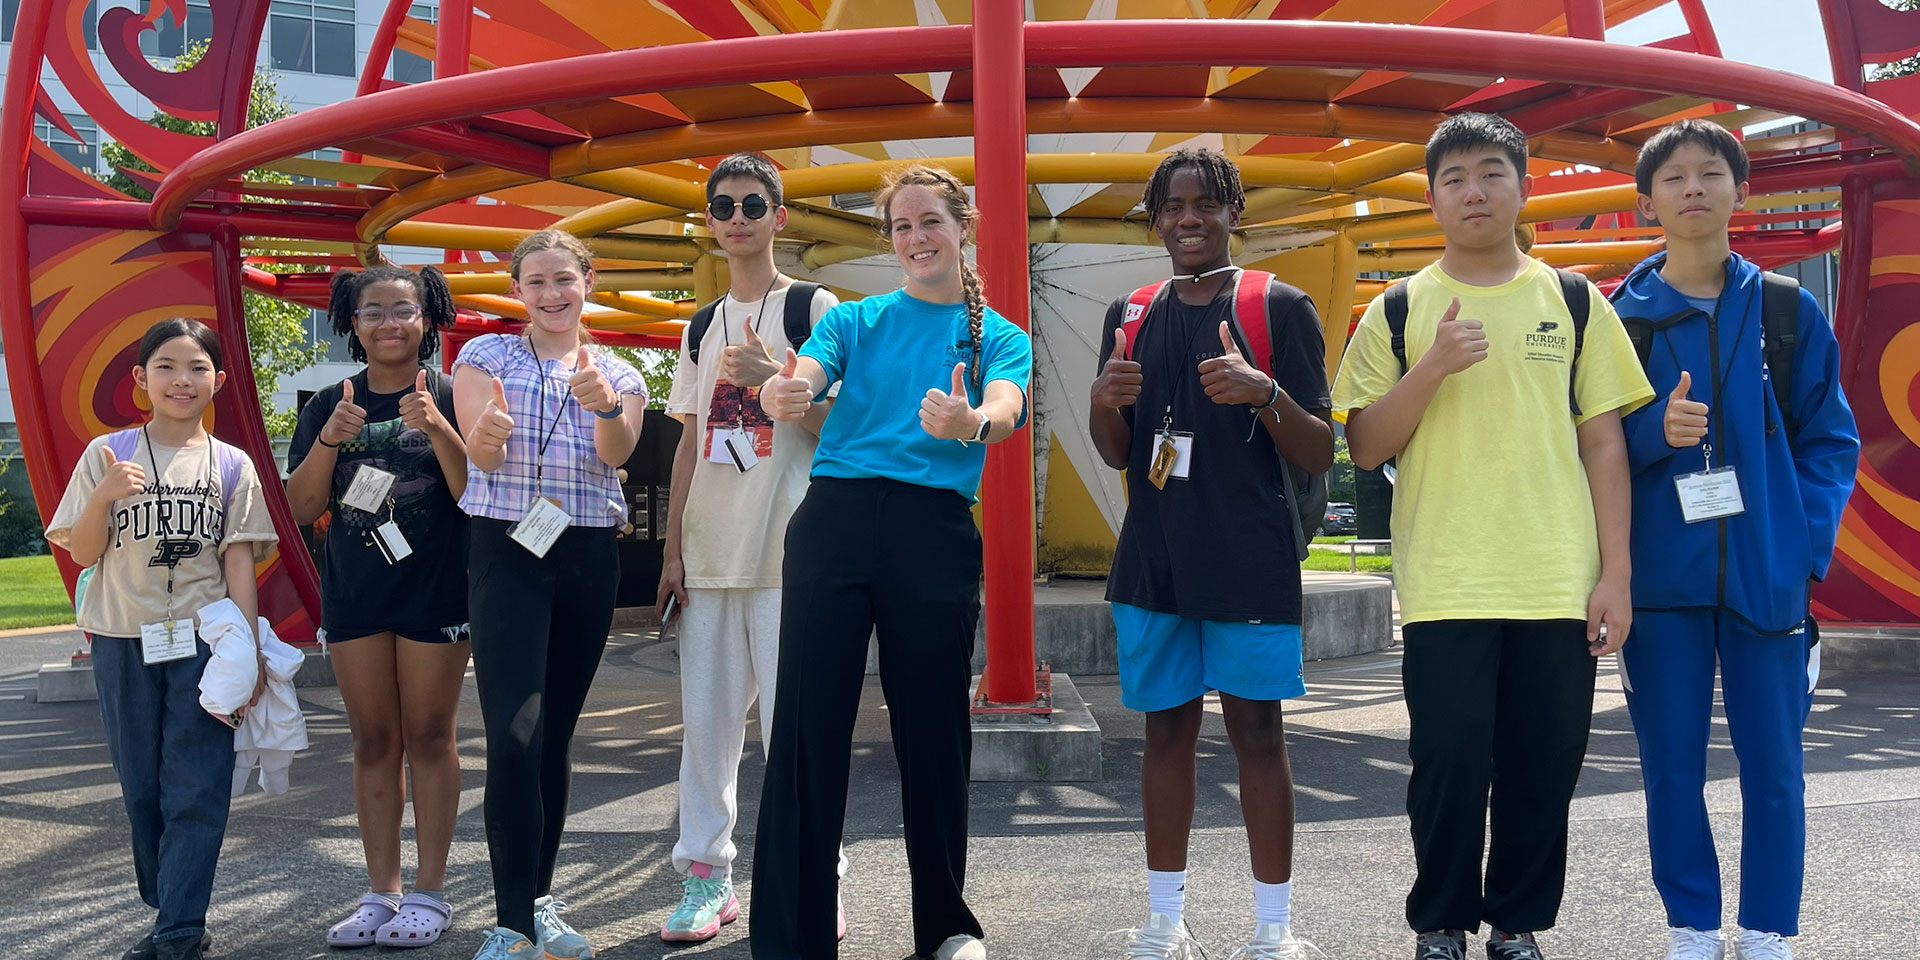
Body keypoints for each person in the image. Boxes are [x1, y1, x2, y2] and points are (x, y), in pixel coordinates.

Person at [1329, 112, 1654, 960]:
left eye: (1490, 173)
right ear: (1432, 198)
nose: (1473, 191)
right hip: (1447, 581)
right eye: (1454, 178)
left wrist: (1616, 575)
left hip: (1555, 575)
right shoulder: (1397, 310)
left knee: (1542, 768)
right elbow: (1366, 445)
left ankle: (1517, 923)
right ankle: (1439, 924)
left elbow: (1604, 443)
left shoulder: (1576, 300)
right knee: (1446, 763)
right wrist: (1431, 365)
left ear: (1522, 186)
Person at [749, 164, 1032, 960]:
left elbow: (1006, 406)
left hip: (933, 532)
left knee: (934, 729)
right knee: (806, 726)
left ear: (963, 228)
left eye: (930, 222)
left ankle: (945, 927)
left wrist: (971, 420)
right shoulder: (862, 318)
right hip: (832, 524)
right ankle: (793, 935)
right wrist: (786, 390)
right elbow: (810, 368)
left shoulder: (995, 334)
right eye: (902, 226)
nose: (915, 238)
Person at [1611, 119, 1859, 960]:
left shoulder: (1789, 309)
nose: (1692, 189)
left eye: (1709, 174)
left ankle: (1765, 929)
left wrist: (1800, 544)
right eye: (1673, 178)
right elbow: (1592, 444)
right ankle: (1693, 925)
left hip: (1767, 574)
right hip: (1660, 583)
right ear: (1647, 201)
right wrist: (1655, 433)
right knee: (1671, 765)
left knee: (1776, 770)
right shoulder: (1622, 318)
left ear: (1740, 191)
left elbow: (1832, 441)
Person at [1087, 148, 1333, 960]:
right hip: (1154, 562)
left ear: (1235, 212)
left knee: (1259, 737)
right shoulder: (1131, 312)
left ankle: (1275, 929)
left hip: (1249, 561)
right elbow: (1120, 451)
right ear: (1154, 218)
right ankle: (1165, 920)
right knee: (1164, 737)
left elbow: (1319, 451)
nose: (1187, 218)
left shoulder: (1280, 306)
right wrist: (1102, 403)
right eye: (1171, 205)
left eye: (1205, 203)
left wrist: (1264, 392)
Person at [654, 152, 846, 943]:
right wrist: (670, 552)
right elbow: (692, 446)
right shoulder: (700, 325)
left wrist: (777, 379)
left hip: (792, 552)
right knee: (706, 730)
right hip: (710, 554)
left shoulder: (816, 307)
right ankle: (707, 876)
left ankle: (813, 878)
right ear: (710, 221)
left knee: (800, 729)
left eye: (752, 204)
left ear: (779, 216)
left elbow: (845, 430)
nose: (738, 219)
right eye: (723, 207)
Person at [46, 318, 279, 960]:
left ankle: (179, 928)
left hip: (205, 644)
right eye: (167, 367)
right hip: (122, 639)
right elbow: (83, 549)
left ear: (220, 381)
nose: (183, 380)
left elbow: (237, 563)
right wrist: (106, 499)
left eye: (197, 368)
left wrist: (252, 655)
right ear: (140, 380)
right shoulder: (107, 453)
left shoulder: (234, 464)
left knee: (197, 783)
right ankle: (169, 898)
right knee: (141, 786)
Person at [450, 228, 649, 960]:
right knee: (513, 732)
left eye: (564, 278)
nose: (552, 294)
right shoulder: (485, 356)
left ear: (588, 281)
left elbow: (617, 454)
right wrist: (490, 435)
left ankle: (536, 904)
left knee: (555, 734)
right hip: (506, 548)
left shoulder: (622, 372)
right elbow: (478, 450)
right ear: (518, 291)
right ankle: (509, 924)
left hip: (587, 551)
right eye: (536, 282)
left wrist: (601, 405)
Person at [286, 265, 471, 950]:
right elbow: (304, 508)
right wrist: (331, 438)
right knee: (372, 742)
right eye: (373, 312)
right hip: (357, 596)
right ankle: (381, 892)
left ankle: (430, 892)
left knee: (428, 737)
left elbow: (473, 494)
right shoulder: (328, 401)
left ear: (428, 318)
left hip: (437, 594)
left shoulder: (451, 392)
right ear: (352, 323)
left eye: (404, 309)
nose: (389, 323)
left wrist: (439, 427)